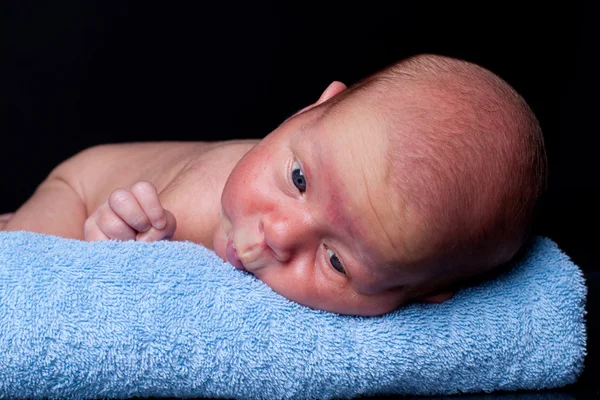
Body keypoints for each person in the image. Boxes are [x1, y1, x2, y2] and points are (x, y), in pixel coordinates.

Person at [1, 54, 548, 316]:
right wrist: (114, 241)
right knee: (24, 265)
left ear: (425, 293)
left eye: (337, 262)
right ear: (310, 109)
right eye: (299, 178)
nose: (277, 235)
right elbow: (94, 284)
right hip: (80, 185)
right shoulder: (185, 212)